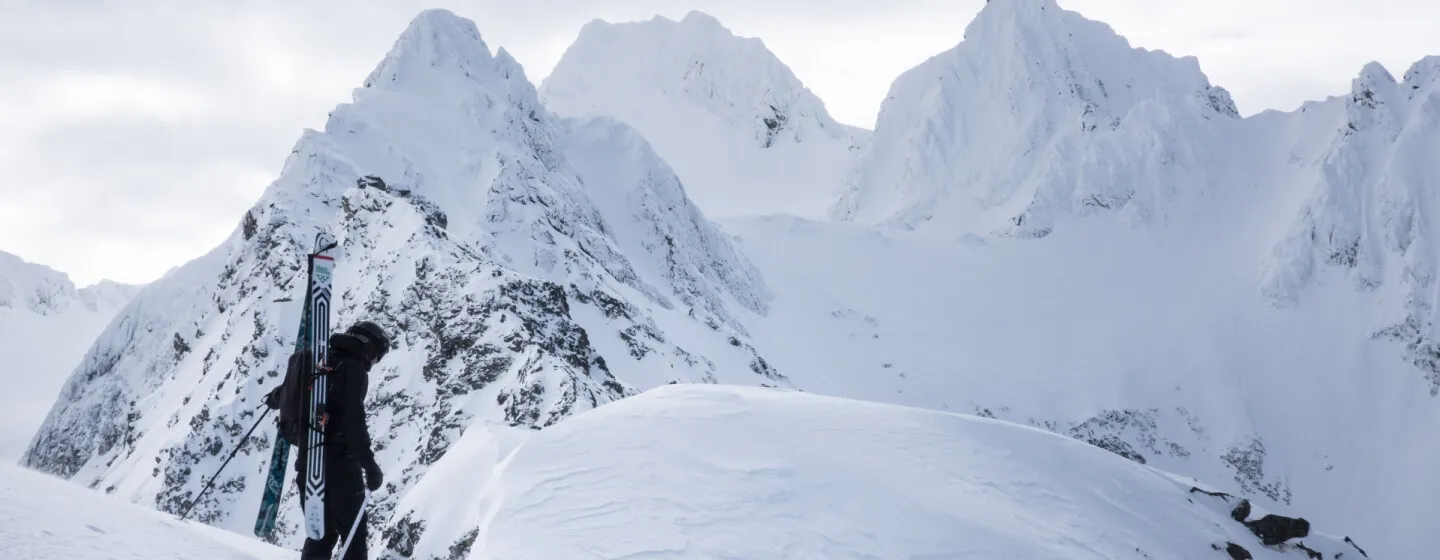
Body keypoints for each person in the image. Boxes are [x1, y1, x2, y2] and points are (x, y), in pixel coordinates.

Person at [295, 320, 389, 560]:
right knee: (354, 535)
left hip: (307, 462)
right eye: (377, 356)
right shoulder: (353, 369)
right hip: (340, 467)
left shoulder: (316, 362)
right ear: (367, 346)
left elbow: (283, 398)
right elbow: (353, 422)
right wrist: (369, 465)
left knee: (320, 533)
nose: (374, 363)